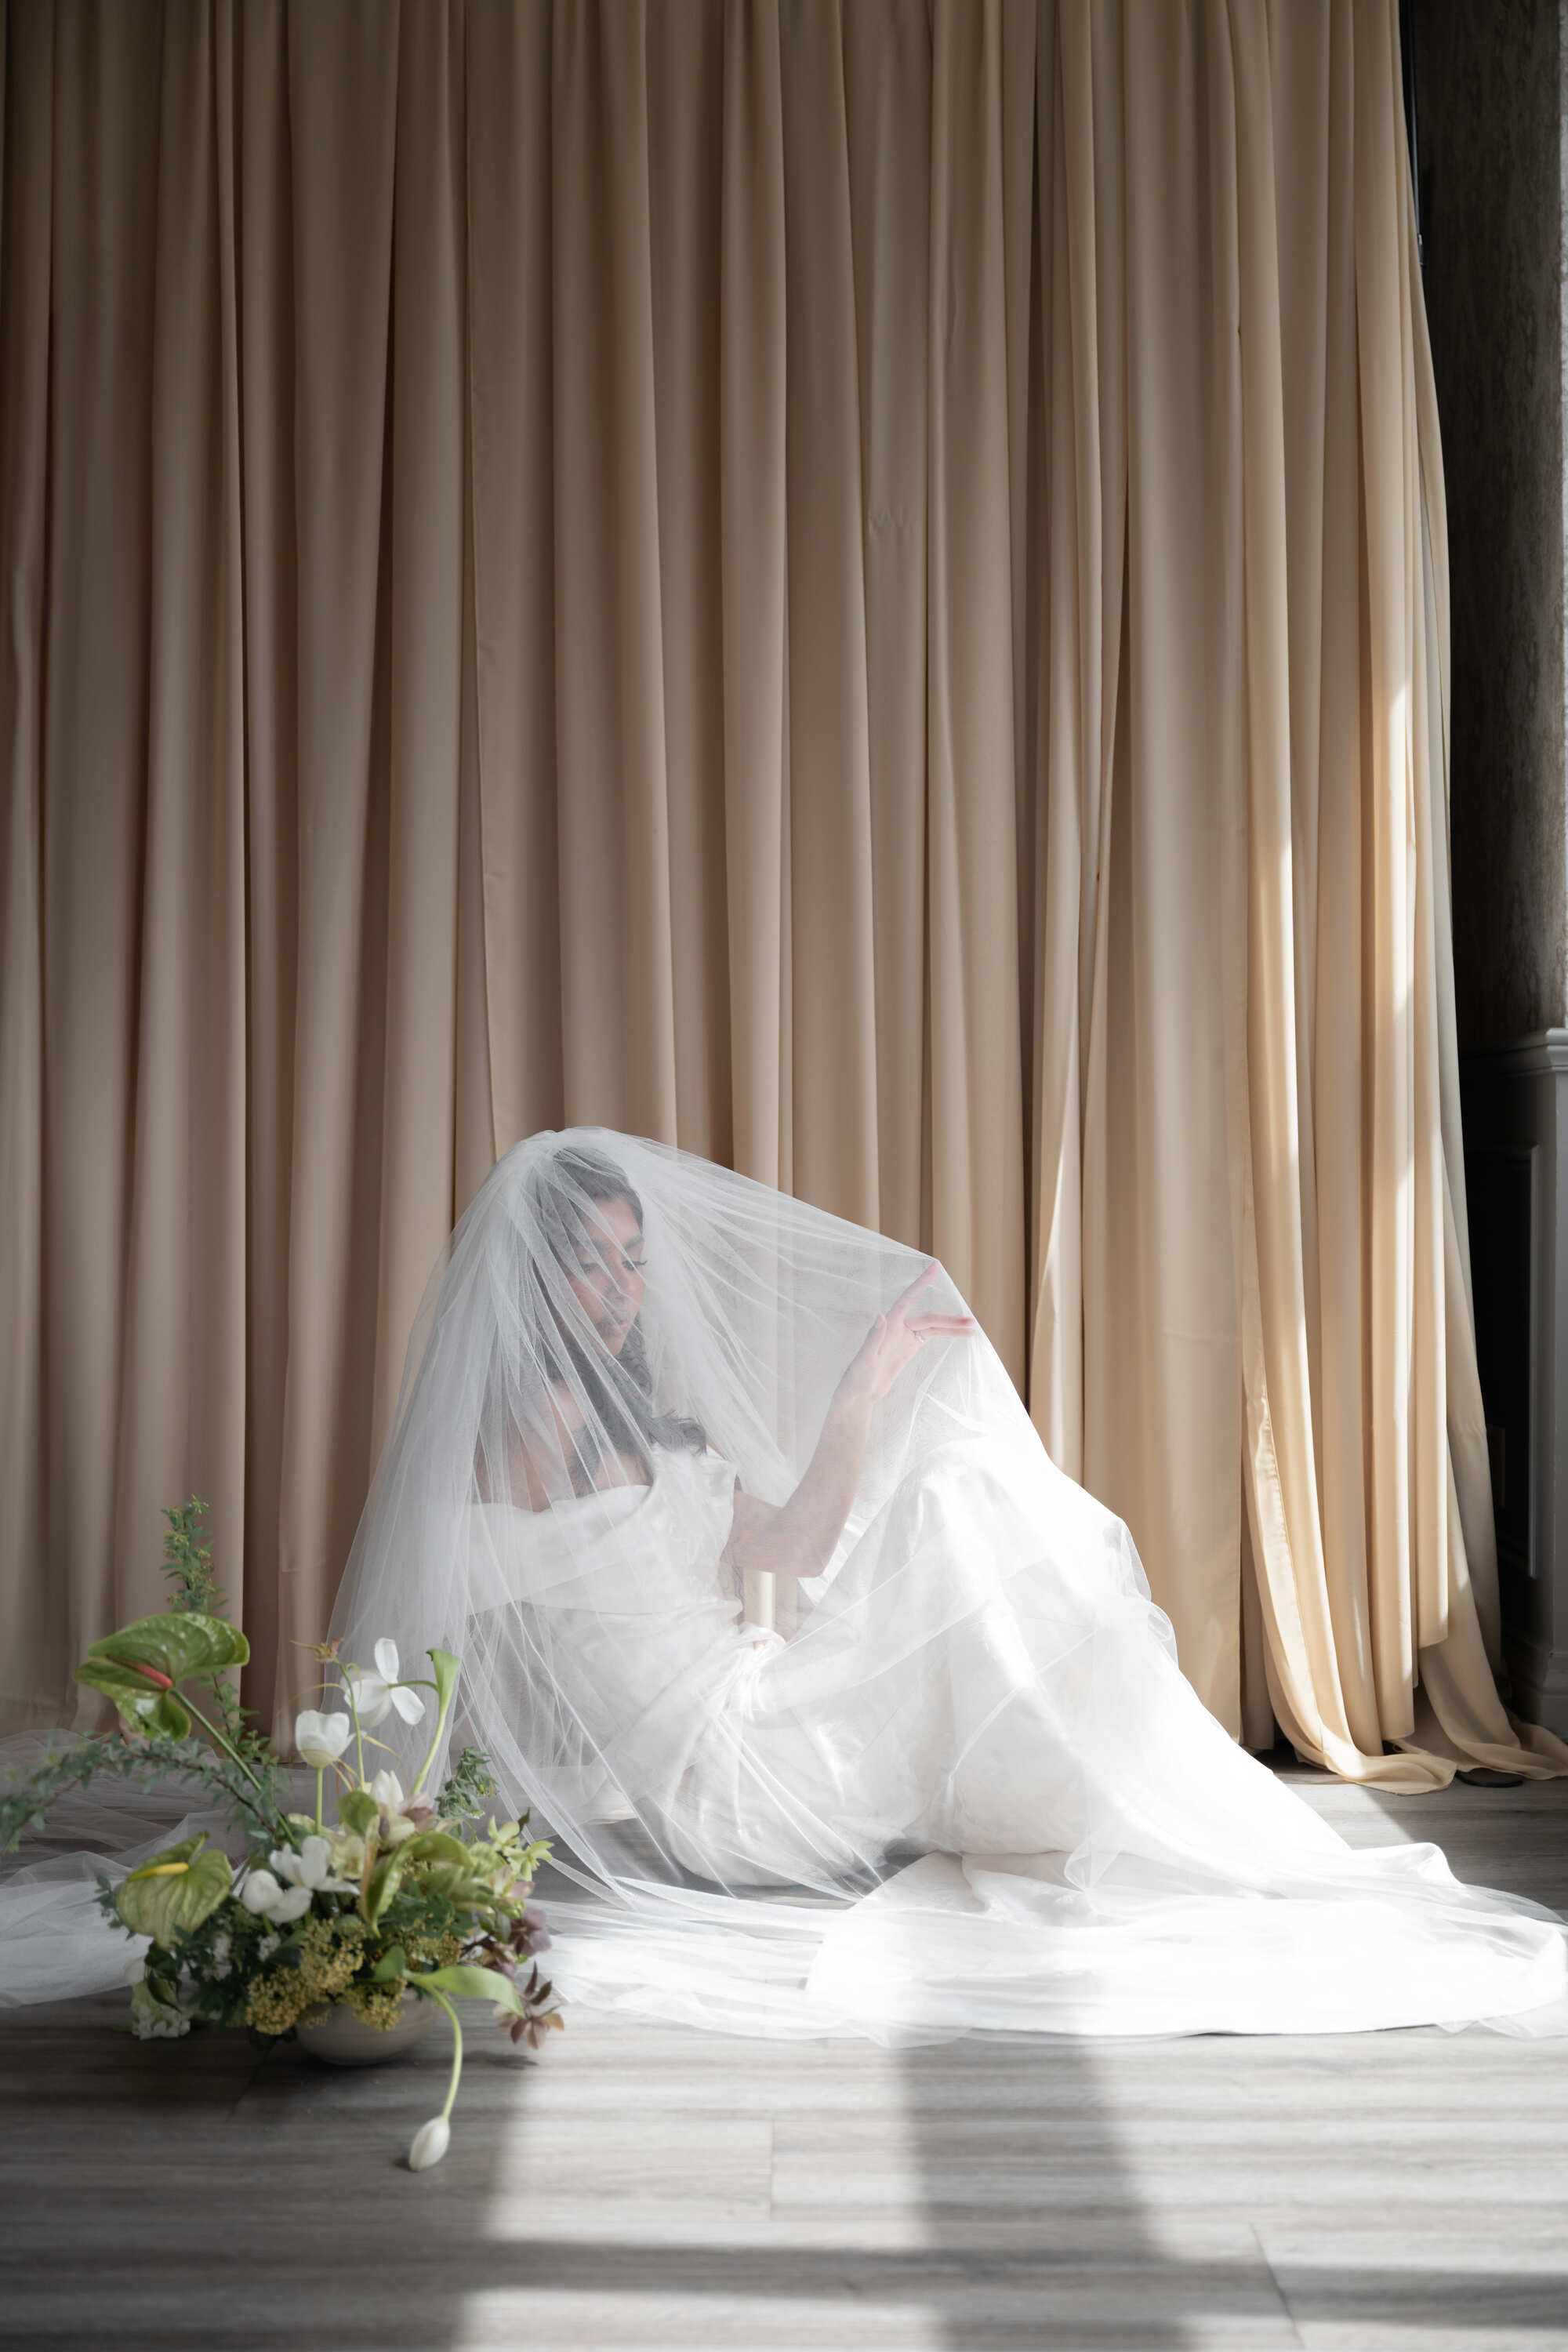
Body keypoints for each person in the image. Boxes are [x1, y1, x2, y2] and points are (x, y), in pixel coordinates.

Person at [325, 1128, 1568, 2042]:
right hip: (734, 1790)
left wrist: (864, 1386)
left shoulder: (644, 1432)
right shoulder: (535, 1430)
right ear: (535, 1278)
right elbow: (451, 1611)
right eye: (591, 1266)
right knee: (960, 1511)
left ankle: (1151, 1801)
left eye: (632, 1266)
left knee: (957, 1503)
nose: (619, 1293)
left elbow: (799, 1545)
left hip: (762, 1716)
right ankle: (1163, 1806)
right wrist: (408, 1824)